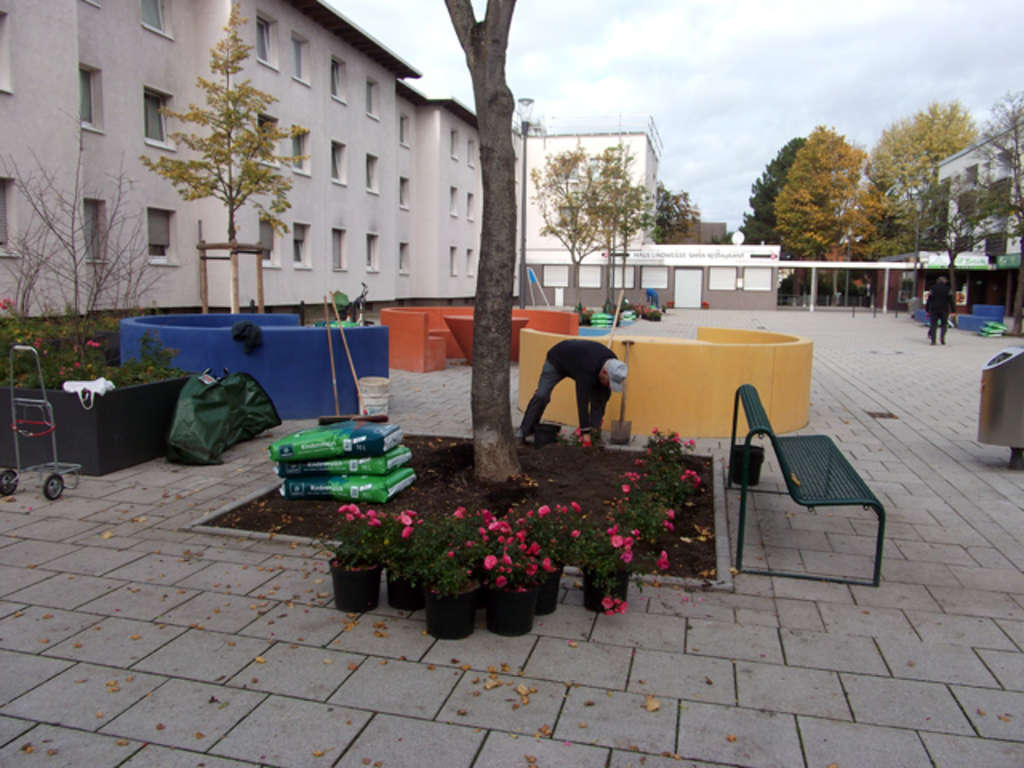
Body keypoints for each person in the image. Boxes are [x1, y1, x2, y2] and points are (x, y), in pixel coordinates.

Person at [518, 339, 628, 447]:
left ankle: (595, 435)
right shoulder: (586, 369)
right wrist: (585, 433)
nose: (609, 385)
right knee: (542, 395)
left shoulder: (613, 364)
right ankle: (524, 432)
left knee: (600, 397)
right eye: (609, 382)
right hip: (557, 359)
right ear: (604, 372)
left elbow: (603, 397)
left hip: (581, 363)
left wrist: (593, 431)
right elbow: (582, 401)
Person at [925, 276, 955, 345]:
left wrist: (927, 309)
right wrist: (953, 311)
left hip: (934, 309)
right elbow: (951, 300)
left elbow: (929, 299)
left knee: (933, 324)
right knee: (944, 324)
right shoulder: (948, 289)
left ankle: (933, 341)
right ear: (945, 282)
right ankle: (942, 338)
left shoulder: (933, 288)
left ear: (937, 281)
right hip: (944, 309)